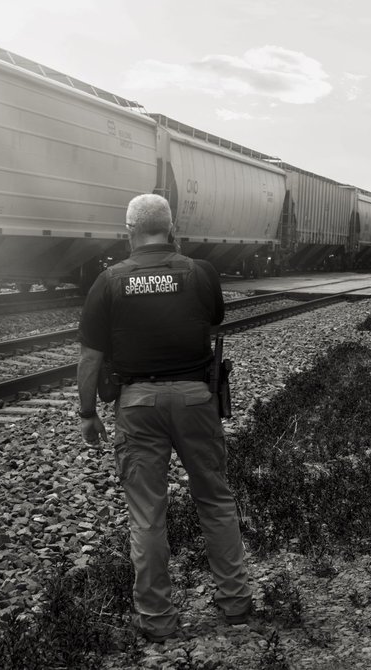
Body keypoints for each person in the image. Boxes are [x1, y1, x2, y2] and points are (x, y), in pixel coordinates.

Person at [76, 193, 253, 642]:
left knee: (147, 515)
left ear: (129, 230)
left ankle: (157, 620)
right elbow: (210, 321)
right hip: (196, 397)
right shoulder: (201, 273)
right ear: (171, 228)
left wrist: (87, 413)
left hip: (136, 405)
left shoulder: (108, 281)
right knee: (215, 500)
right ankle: (235, 604)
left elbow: (90, 360)